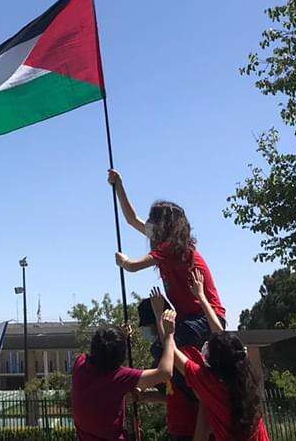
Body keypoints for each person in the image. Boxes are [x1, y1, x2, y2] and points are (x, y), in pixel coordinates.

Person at [108, 169, 227, 441]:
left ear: (165, 226)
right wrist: (119, 186)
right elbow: (131, 219)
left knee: (163, 348)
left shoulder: (173, 248)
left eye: (153, 221)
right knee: (160, 349)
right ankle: (178, 388)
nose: (149, 225)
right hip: (188, 318)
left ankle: (194, 391)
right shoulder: (167, 244)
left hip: (205, 317)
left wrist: (124, 261)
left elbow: (134, 266)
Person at [157, 310, 271, 441]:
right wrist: (203, 300)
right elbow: (224, 343)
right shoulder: (246, 377)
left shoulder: (210, 384)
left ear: (215, 361)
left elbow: (173, 353)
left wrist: (167, 331)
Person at [71, 322, 172, 441]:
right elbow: (165, 373)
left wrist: (120, 337)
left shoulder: (80, 364)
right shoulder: (119, 377)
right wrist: (168, 336)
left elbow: (104, 353)